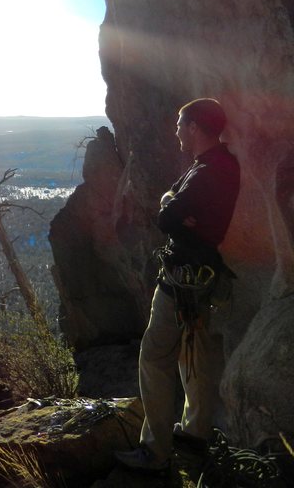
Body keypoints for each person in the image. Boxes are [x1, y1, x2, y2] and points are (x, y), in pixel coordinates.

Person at [115, 98, 241, 472]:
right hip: (202, 280)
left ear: (194, 128)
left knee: (154, 357)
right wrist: (176, 207)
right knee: (194, 357)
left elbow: (166, 218)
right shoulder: (223, 163)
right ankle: (194, 436)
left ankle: (154, 450)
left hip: (181, 279)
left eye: (180, 124)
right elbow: (173, 209)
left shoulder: (205, 173)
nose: (175, 132)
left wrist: (176, 211)